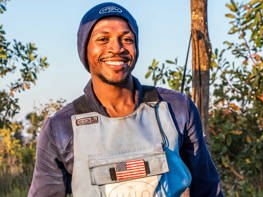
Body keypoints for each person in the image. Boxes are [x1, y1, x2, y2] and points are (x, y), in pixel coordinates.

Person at [29, 2, 223, 197]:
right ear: (84, 49)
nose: (116, 47)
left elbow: (208, 190)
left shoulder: (177, 108)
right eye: (103, 39)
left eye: (127, 39)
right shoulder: (61, 128)